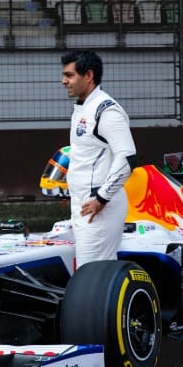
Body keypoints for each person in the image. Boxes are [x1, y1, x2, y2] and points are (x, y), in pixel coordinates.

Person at [60, 50, 138, 267]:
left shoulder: (106, 111)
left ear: (89, 76)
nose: (63, 81)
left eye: (69, 75)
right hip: (85, 205)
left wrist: (102, 198)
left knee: (92, 275)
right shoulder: (84, 108)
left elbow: (128, 158)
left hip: (99, 208)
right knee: (93, 274)